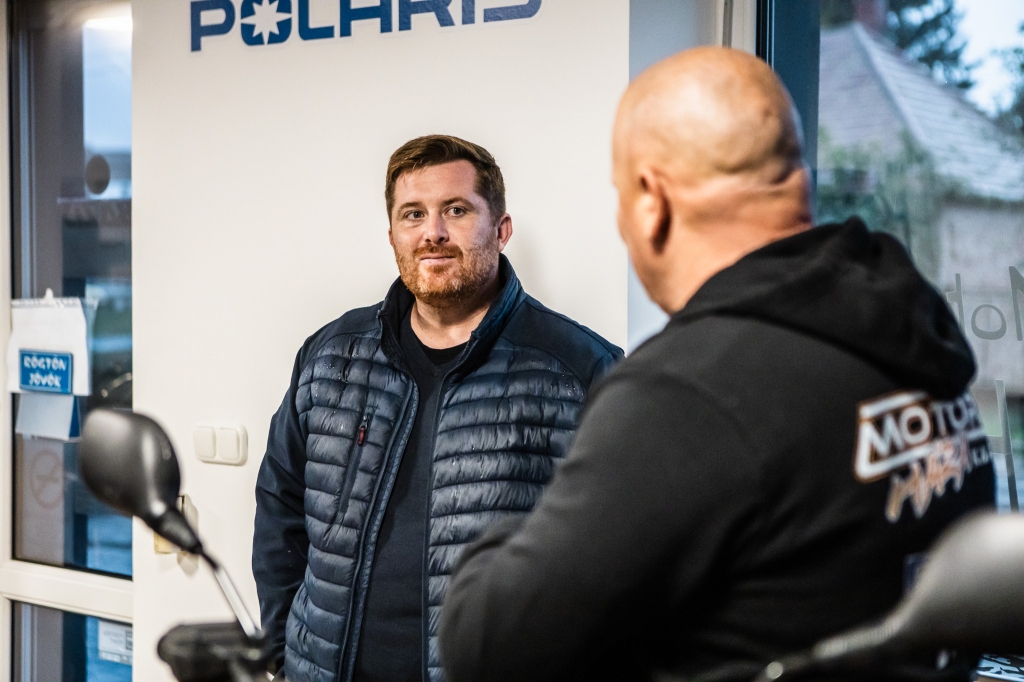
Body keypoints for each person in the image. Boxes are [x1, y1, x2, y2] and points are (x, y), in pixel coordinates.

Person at [438, 47, 995, 682]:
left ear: (652, 201)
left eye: (621, 194)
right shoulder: (905, 333)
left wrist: (515, 531)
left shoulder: (689, 391)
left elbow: (489, 646)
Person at [252, 135, 622, 682]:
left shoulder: (579, 369)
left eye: (456, 210)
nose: (433, 233)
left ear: (501, 229)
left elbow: (618, 556)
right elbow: (279, 508)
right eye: (413, 214)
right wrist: (284, 654)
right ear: (392, 235)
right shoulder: (331, 355)